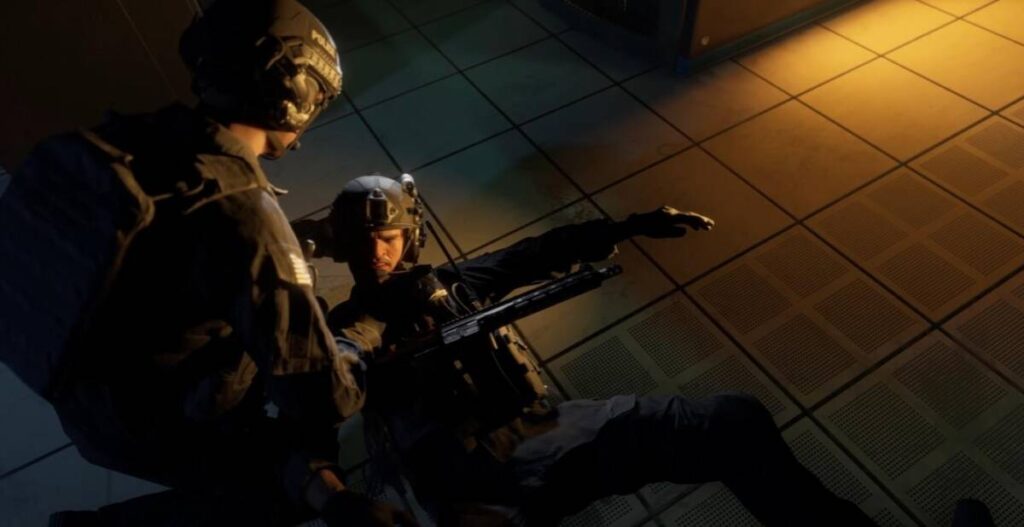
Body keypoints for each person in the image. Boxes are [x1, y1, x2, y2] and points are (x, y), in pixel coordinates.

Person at [0, 1, 413, 525]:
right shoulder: (244, 210)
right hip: (158, 422)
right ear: (297, 91)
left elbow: (177, 244)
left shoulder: (138, 138)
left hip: (87, 397)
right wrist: (359, 338)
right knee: (280, 489)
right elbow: (321, 395)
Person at [305, 174, 878, 526]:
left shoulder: (446, 285)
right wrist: (349, 366)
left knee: (733, 422)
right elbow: (337, 363)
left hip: (542, 434)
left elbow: (531, 255)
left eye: (388, 238)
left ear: (410, 237)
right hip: (471, 487)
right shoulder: (349, 324)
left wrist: (626, 227)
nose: (377, 253)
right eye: (364, 242)